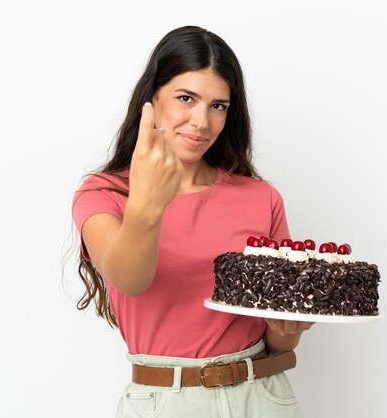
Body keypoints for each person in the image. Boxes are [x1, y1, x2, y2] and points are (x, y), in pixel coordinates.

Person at [72, 25, 313, 417]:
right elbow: (129, 279)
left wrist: (286, 333)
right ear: (151, 99)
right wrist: (148, 203)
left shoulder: (261, 197)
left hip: (261, 396)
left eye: (218, 105)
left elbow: (279, 340)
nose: (202, 121)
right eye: (186, 98)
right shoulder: (105, 194)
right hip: (164, 401)